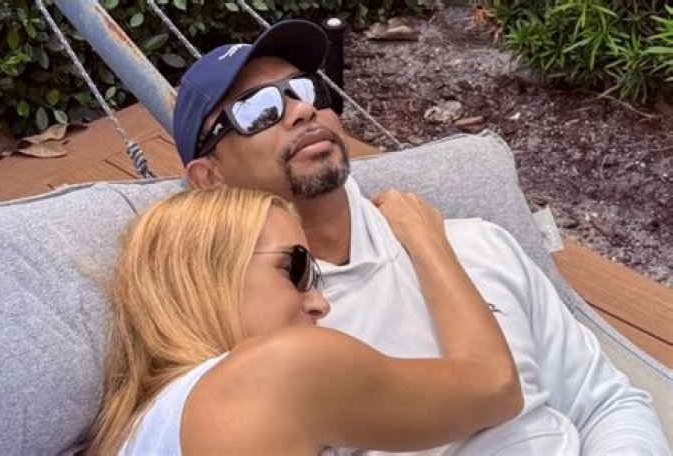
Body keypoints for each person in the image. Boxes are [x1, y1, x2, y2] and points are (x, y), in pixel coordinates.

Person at [171, 19, 670, 455]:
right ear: (209, 178)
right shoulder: (252, 329)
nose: (302, 111)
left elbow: (605, 403)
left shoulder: (476, 245)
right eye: (257, 110)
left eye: (305, 89)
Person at [88, 187, 522, 454]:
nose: (319, 303)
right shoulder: (276, 371)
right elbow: (496, 385)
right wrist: (425, 237)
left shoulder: (140, 432)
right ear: (204, 274)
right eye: (295, 268)